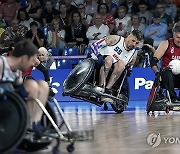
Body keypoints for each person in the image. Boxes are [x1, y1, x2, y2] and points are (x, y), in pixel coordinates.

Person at [0, 39, 49, 131]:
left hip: (13, 100)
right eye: (31, 61)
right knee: (31, 85)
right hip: (4, 102)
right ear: (24, 58)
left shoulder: (18, 71)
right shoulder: (1, 63)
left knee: (43, 85)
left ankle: (35, 123)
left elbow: (18, 87)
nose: (32, 64)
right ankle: (28, 125)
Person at [90, 30, 142, 102]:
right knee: (109, 60)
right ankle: (100, 87)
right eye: (133, 41)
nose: (134, 45)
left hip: (113, 70)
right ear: (129, 36)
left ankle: (107, 90)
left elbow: (129, 68)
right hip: (99, 60)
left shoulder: (133, 55)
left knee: (121, 65)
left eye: (137, 43)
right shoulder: (116, 39)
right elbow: (94, 45)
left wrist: (129, 70)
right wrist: (98, 56)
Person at [150, 24, 180, 103]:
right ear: (173, 35)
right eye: (177, 37)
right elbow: (153, 61)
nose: (179, 40)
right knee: (167, 72)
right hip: (166, 77)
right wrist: (157, 73)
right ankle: (173, 98)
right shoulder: (166, 44)